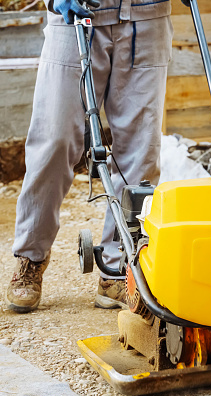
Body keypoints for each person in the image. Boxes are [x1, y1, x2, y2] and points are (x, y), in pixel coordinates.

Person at [5, 0, 179, 313]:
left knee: (141, 152)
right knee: (54, 141)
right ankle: (30, 256)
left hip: (146, 15)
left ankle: (118, 268)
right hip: (73, 14)